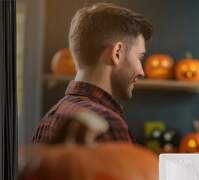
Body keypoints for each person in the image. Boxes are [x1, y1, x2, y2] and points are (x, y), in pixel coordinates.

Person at [32, 3, 152, 144]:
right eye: (139, 57)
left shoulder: (49, 118)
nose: (141, 72)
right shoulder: (107, 125)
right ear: (117, 53)